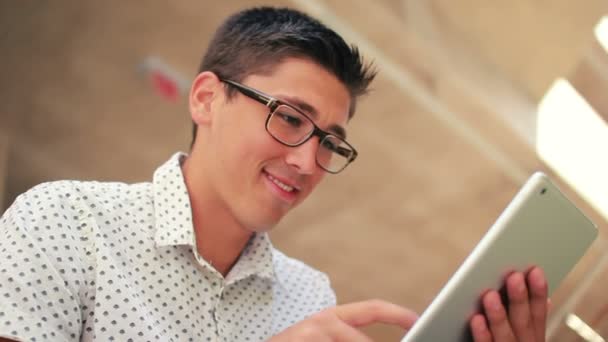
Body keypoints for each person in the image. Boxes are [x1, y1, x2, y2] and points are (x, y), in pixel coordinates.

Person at [0, 6, 549, 342]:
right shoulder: (65, 220)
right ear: (207, 98)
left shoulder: (310, 297)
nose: (308, 163)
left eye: (331, 142)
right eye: (289, 118)